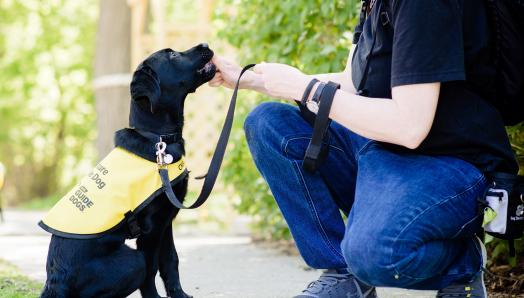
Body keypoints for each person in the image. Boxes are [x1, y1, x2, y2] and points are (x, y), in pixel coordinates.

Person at [209, 1, 518, 297]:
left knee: (377, 254)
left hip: (451, 164)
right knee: (269, 123)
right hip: (385, 148)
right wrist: (249, 80)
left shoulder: (425, 5)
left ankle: (462, 263)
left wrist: (303, 87)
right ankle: (344, 275)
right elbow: (352, 84)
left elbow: (410, 127)